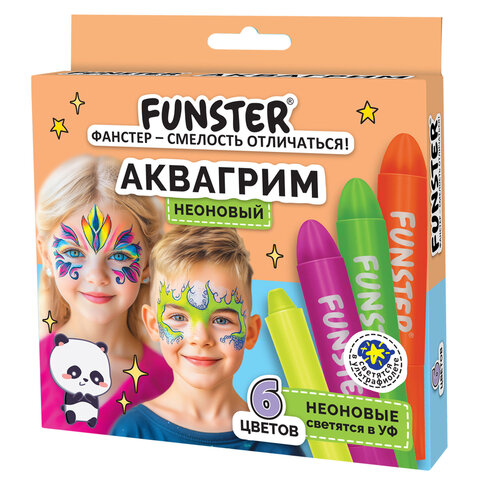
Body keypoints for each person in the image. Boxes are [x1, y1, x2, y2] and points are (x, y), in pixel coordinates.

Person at [111, 226, 304, 456]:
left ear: (250, 332)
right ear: (154, 325)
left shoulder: (278, 443)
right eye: (179, 318)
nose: (201, 338)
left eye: (221, 320)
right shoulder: (132, 433)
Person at [36, 155, 173, 434]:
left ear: (148, 263)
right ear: (46, 256)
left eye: (120, 255)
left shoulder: (171, 383)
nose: (96, 276)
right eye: (73, 252)